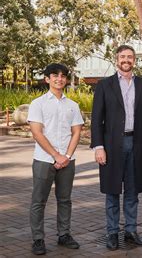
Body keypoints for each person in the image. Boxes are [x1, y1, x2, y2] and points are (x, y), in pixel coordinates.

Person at [90, 45, 142, 250]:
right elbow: (96, 119)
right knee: (112, 192)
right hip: (111, 146)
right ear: (116, 59)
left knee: (132, 191)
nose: (126, 60)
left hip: (136, 144)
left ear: (134, 60)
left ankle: (130, 231)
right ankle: (112, 233)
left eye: (129, 57)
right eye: (122, 57)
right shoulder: (104, 85)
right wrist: (98, 147)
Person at [28, 63, 84, 255]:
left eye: (63, 76)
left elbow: (76, 132)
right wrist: (56, 155)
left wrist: (66, 156)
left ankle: (64, 235)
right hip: (44, 160)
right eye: (55, 75)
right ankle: (37, 239)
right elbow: (37, 133)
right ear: (47, 79)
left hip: (68, 161)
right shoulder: (38, 104)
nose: (59, 79)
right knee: (39, 201)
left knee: (65, 199)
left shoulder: (73, 105)